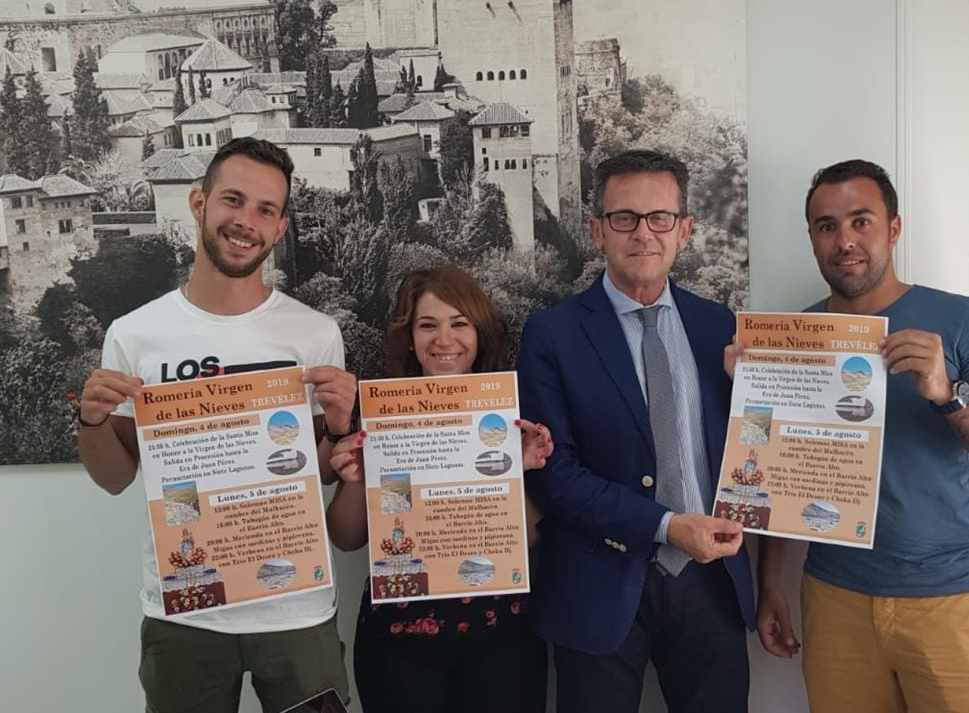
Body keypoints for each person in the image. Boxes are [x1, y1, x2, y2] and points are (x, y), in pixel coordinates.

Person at [752, 159, 969, 712]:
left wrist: (949, 395)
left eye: (861, 221)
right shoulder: (797, 335)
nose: (845, 241)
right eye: (826, 226)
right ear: (812, 238)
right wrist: (771, 585)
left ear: (893, 228)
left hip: (949, 601)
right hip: (834, 596)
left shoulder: (963, 322)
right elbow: (782, 478)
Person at [77, 137, 356, 712]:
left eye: (266, 210)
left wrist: (335, 428)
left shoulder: (316, 334)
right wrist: (91, 419)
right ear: (199, 203)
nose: (245, 221)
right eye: (234, 200)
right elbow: (114, 478)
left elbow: (318, 474)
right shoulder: (134, 335)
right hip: (186, 612)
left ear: (280, 229)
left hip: (296, 608)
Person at [516, 149, 754, 713]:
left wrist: (757, 397)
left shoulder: (719, 326)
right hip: (598, 584)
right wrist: (668, 527)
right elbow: (555, 476)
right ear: (597, 230)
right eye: (624, 218)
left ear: (685, 229)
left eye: (660, 218)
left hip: (710, 582)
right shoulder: (552, 333)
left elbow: (751, 454)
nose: (643, 233)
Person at [324, 266, 554, 713]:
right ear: (409, 338)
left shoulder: (510, 418)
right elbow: (346, 538)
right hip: (398, 643)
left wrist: (516, 471)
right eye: (427, 325)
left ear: (479, 333)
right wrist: (355, 480)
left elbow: (529, 538)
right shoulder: (382, 417)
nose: (444, 340)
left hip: (501, 638)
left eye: (459, 323)